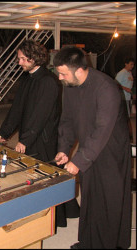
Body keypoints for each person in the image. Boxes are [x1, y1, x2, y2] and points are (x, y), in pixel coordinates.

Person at [53, 46, 132, 249]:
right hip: (89, 149)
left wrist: (79, 161)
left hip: (110, 152)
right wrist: (64, 148)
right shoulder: (70, 86)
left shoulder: (106, 88)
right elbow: (67, 119)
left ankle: (107, 245)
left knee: (107, 200)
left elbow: (102, 129)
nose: (60, 78)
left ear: (79, 70)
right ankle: (89, 242)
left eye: (63, 73)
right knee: (90, 197)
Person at [0, 40, 80, 228]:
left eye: (23, 59)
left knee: (50, 176)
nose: (20, 63)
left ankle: (57, 216)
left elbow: (40, 115)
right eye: (19, 59)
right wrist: (4, 132)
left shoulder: (49, 81)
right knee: (35, 175)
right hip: (31, 133)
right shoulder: (27, 79)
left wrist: (25, 140)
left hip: (46, 138)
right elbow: (17, 109)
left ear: (34, 58)